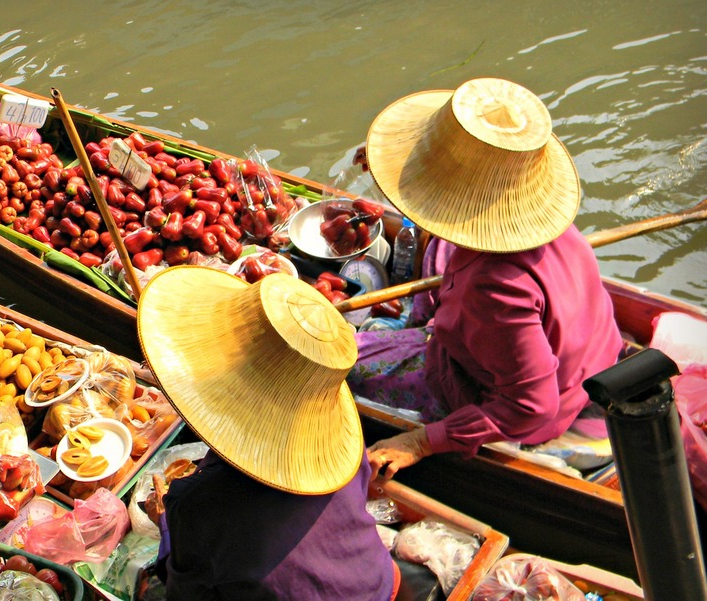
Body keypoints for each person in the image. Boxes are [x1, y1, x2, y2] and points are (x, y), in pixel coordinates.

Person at [347, 77, 624, 478]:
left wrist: (421, 441)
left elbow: (532, 405)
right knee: (435, 252)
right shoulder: (544, 222)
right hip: (585, 359)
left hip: (534, 399)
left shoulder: (495, 290)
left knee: (346, 365)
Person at [137, 265, 398, 600]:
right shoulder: (343, 445)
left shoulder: (195, 505)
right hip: (376, 581)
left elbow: (184, 593)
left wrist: (167, 526)